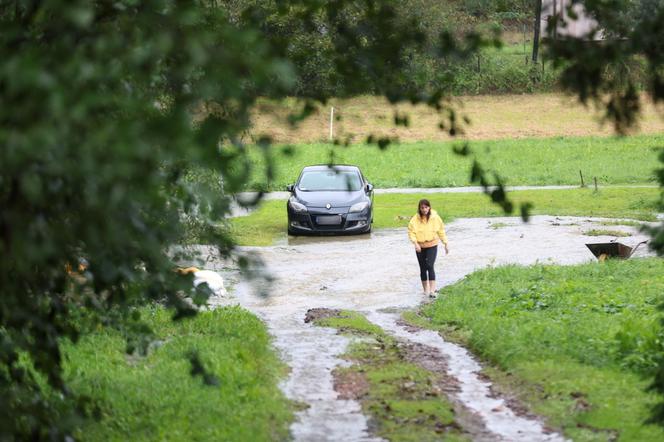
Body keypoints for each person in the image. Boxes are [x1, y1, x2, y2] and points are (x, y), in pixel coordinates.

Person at [407, 199, 449, 297]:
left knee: (430, 265)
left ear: (429, 207)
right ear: (419, 208)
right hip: (420, 246)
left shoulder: (435, 217)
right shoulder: (414, 219)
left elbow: (441, 231)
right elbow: (411, 232)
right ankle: (426, 290)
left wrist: (446, 243)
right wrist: (415, 243)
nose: (424, 209)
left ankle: (432, 291)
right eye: (422, 208)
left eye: (426, 207)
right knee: (423, 268)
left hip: (432, 245)